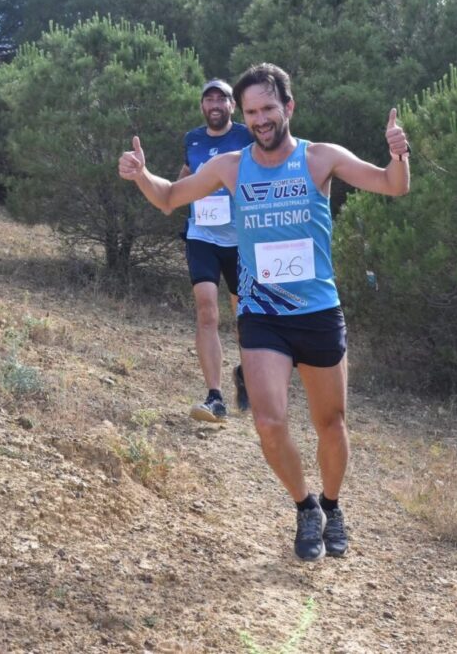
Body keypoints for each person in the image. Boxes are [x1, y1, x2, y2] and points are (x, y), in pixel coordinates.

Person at [119, 63, 410, 561]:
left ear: (288, 107)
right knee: (269, 423)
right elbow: (169, 198)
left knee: (331, 423)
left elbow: (392, 185)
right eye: (250, 111)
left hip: (318, 312)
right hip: (261, 314)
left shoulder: (321, 159)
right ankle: (305, 508)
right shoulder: (232, 166)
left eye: (268, 109)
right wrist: (141, 175)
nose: (259, 119)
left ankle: (334, 506)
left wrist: (399, 155)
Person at [176, 79, 254, 423]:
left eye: (221, 98)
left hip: (241, 240)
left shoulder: (246, 135)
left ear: (231, 106)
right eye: (208, 99)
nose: (214, 104)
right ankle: (214, 397)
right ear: (202, 107)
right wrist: (173, 192)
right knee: (206, 311)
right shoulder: (192, 139)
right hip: (202, 235)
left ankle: (247, 374)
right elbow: (186, 174)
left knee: (246, 318)